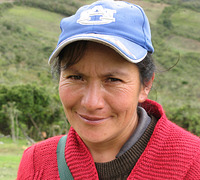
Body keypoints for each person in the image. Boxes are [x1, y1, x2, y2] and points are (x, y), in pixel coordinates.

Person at [17, 1, 200, 179]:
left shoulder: (193, 164)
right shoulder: (36, 162)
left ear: (145, 85)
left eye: (113, 80)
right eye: (76, 77)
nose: (91, 103)